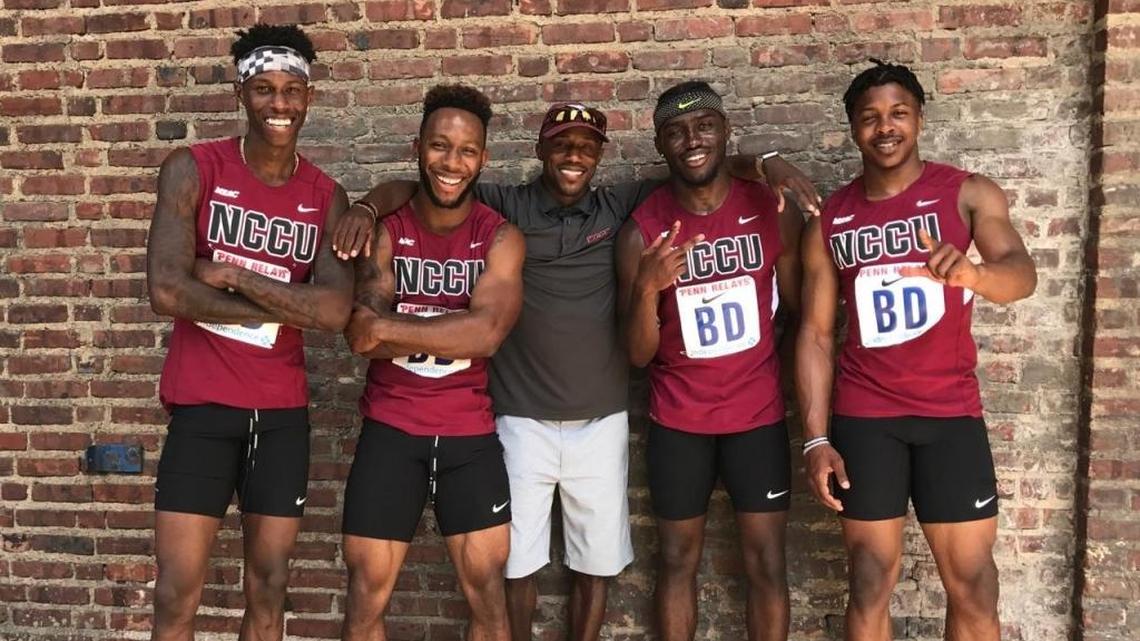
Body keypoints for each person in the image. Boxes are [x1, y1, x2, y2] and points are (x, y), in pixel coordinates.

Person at [331, 104, 819, 641]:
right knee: (515, 567)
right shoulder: (502, 203)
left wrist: (768, 162)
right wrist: (366, 206)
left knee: (596, 563)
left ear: (601, 156)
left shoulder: (621, 204)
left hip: (601, 416)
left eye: (587, 146)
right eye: (561, 144)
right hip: (518, 416)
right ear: (538, 149)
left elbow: (700, 165)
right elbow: (421, 184)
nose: (574, 156)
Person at [796, 60, 1037, 641]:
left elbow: (1021, 275)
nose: (886, 127)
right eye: (870, 117)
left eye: (898, 113)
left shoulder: (968, 194)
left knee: (974, 583)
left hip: (949, 413)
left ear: (920, 119)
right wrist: (815, 437)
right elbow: (815, 334)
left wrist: (972, 275)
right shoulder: (831, 219)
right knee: (870, 580)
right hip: (866, 418)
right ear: (853, 128)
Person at [145, 24, 353, 641]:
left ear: (309, 98)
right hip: (203, 408)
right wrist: (294, 305)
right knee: (176, 593)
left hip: (280, 414)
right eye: (263, 88)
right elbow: (166, 290)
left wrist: (233, 276)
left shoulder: (326, 195)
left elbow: (336, 312)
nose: (279, 103)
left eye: (292, 90)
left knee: (269, 589)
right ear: (241, 92)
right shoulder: (193, 168)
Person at [616, 80, 804, 641]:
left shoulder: (770, 209)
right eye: (674, 132)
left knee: (767, 563)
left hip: (758, 418)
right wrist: (648, 287)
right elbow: (636, 354)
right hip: (679, 422)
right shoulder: (641, 231)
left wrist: (778, 380)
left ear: (725, 132)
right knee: (676, 562)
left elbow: (801, 312)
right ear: (660, 145)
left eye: (702, 127)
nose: (691, 141)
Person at [339, 84, 526, 641]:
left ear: (483, 159)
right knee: (365, 598)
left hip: (469, 434)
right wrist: (452, 329)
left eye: (467, 151)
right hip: (391, 428)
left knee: (489, 599)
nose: (453, 162)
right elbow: (358, 337)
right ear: (417, 147)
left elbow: (487, 333)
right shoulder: (385, 232)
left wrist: (392, 327)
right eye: (440, 146)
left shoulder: (500, 237)